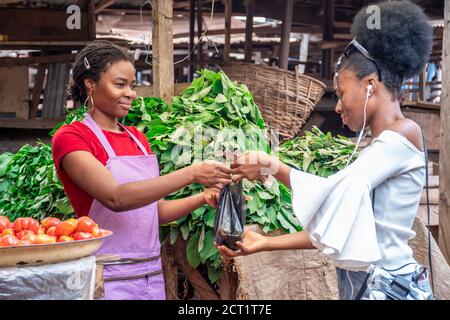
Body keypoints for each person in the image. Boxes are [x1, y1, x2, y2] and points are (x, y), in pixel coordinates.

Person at [218, 1, 434, 300]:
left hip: (388, 288)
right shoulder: (382, 146)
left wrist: (272, 167)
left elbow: (336, 191)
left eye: (341, 93)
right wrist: (265, 242)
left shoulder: (403, 134)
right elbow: (342, 224)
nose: (337, 105)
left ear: (370, 85)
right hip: (370, 285)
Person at [51, 40, 232, 300]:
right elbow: (116, 197)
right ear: (90, 84)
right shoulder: (71, 137)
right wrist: (191, 173)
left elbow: (155, 212)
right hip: (106, 278)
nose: (131, 93)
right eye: (120, 84)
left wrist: (202, 198)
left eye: (132, 85)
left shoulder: (138, 138)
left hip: (150, 277)